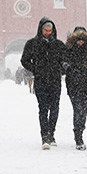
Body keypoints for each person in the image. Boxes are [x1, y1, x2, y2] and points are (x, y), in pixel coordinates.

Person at [20, 17, 65, 149]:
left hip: (55, 81)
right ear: (41, 29)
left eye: (50, 30)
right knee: (43, 108)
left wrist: (60, 70)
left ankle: (52, 133)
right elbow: (24, 60)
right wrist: (36, 69)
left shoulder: (59, 45)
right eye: (45, 30)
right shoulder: (32, 44)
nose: (48, 32)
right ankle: (45, 136)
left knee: (55, 108)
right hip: (40, 81)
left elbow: (66, 61)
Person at [62, 26, 87, 151]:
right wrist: (67, 68)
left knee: (83, 112)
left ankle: (80, 131)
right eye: (78, 40)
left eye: (82, 39)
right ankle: (78, 137)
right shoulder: (69, 50)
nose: (80, 42)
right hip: (73, 85)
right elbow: (63, 64)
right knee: (77, 109)